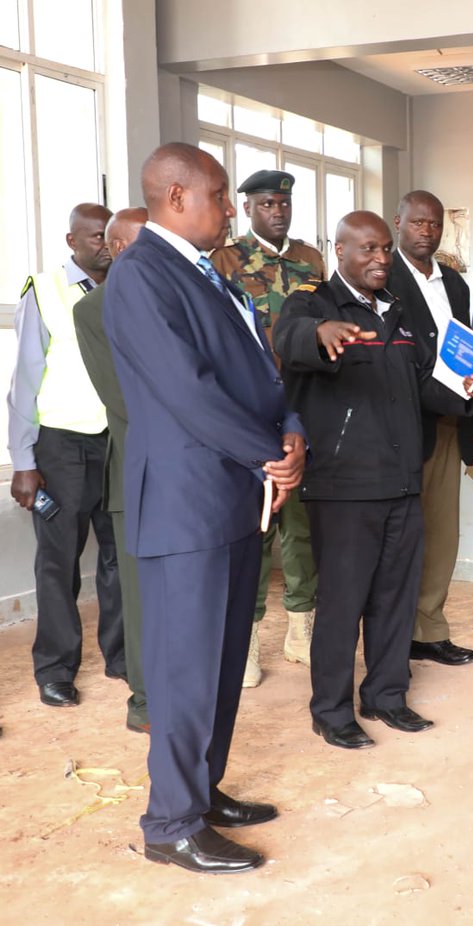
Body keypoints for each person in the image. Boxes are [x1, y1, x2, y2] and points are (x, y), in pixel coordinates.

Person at [104, 143, 305, 873]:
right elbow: (188, 392)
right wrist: (268, 453)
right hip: (188, 505)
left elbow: (261, 371)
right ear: (178, 197)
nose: (229, 210)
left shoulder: (209, 273)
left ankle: (202, 790)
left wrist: (289, 434)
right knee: (186, 669)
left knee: (220, 665)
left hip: (231, 496)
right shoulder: (141, 277)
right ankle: (172, 825)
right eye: (220, 196)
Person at [275, 211, 473, 749]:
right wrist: (319, 333)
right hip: (344, 485)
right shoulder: (312, 303)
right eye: (368, 249)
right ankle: (331, 710)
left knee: (395, 596)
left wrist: (463, 388)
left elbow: (423, 389)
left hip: (401, 479)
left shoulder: (396, 311)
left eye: (386, 250)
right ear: (340, 251)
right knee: (343, 604)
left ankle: (387, 695)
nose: (380, 259)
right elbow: (288, 337)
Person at [7, 202, 124, 708]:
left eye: (110, 236)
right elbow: (25, 381)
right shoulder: (46, 289)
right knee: (58, 563)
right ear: (71, 240)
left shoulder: (128, 288)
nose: (104, 244)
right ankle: (55, 668)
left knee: (122, 558)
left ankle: (122, 657)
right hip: (63, 445)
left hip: (119, 441)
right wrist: (24, 460)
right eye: (94, 236)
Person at [211, 169, 325, 687]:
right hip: (253, 408)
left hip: (308, 402)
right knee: (257, 525)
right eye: (266, 204)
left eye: (283, 203)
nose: (277, 212)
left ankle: (301, 628)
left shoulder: (310, 259)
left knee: (302, 524)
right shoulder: (227, 259)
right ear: (249, 208)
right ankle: (249, 638)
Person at [388, 191, 473, 667]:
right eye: (418, 222)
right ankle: (394, 637)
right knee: (401, 537)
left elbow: (463, 350)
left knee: (443, 533)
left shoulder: (455, 283)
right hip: (400, 429)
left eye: (434, 224)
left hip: (447, 424)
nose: (427, 231)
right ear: (398, 222)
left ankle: (429, 629)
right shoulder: (383, 279)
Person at [72, 207, 150, 733]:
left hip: (194, 474)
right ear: (121, 249)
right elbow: (124, 401)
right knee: (142, 601)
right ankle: (145, 703)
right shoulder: (95, 309)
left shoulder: (176, 298)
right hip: (138, 475)